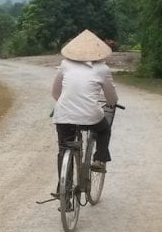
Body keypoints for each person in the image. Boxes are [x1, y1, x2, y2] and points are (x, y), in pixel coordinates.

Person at [51, 29, 119, 192]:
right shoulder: (102, 69)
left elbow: (55, 93)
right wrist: (111, 104)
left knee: (64, 148)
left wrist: (67, 103)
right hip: (91, 116)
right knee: (104, 130)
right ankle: (99, 159)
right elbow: (111, 98)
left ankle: (64, 189)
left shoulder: (65, 64)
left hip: (63, 115)